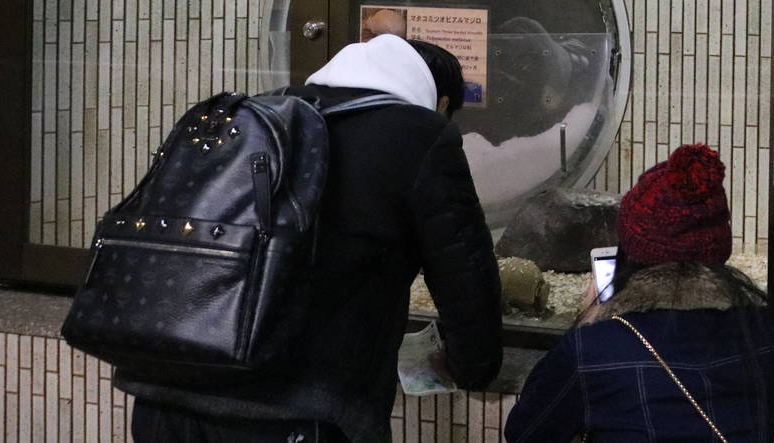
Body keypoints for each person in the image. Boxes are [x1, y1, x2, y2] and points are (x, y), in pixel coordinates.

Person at [117, 33, 504, 443]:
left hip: (165, 394)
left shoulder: (258, 112)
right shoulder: (419, 135)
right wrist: (472, 368)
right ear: (441, 102)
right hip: (292, 412)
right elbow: (464, 274)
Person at [505, 144, 774, 442]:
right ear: (718, 249)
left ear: (632, 249)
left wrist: (587, 321)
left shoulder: (591, 352)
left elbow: (524, 432)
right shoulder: (768, 335)